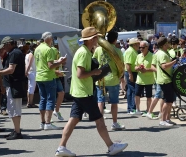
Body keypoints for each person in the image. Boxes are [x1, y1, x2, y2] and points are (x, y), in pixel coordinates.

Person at [55, 27, 128, 156]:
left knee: (73, 120)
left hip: (79, 91)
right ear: (92, 39)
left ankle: (61, 147)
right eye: (96, 37)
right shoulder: (84, 53)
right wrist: (95, 72)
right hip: (84, 92)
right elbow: (80, 74)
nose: (98, 40)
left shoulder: (85, 51)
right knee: (99, 120)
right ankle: (111, 146)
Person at [0, 37, 26, 139]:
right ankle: (16, 130)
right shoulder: (15, 52)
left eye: (5, 46)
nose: (4, 49)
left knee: (14, 108)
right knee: (13, 108)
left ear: (9, 44)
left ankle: (17, 131)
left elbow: (11, 70)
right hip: (14, 84)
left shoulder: (15, 53)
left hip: (14, 85)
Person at [93, 31, 125, 130]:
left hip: (100, 79)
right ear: (115, 39)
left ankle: (100, 123)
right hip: (113, 79)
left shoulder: (98, 49)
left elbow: (94, 62)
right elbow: (121, 66)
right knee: (114, 103)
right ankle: (114, 123)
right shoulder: (118, 51)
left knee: (100, 102)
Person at [35, 32, 66, 130]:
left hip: (39, 76)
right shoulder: (49, 49)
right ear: (49, 38)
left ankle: (42, 122)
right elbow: (50, 66)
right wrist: (60, 62)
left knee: (43, 99)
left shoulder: (37, 48)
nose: (52, 40)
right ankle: (48, 123)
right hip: (48, 77)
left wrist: (56, 62)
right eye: (52, 38)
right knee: (50, 99)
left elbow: (45, 62)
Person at [155, 37, 177, 127]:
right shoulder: (162, 54)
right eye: (167, 43)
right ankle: (163, 120)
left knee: (169, 101)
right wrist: (174, 62)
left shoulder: (163, 52)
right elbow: (164, 66)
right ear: (164, 45)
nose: (169, 44)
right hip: (165, 80)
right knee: (167, 101)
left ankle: (167, 118)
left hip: (166, 79)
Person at [134, 41, 155, 116]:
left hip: (149, 80)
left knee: (148, 96)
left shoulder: (152, 56)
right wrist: (138, 68)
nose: (141, 49)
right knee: (137, 95)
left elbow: (154, 68)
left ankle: (148, 110)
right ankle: (137, 109)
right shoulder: (138, 56)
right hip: (139, 80)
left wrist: (147, 69)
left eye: (143, 47)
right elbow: (135, 67)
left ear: (147, 47)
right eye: (140, 47)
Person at [124, 38, 140, 114]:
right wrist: (130, 74)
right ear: (133, 44)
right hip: (131, 72)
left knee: (130, 90)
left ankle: (131, 108)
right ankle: (132, 108)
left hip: (132, 72)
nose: (139, 45)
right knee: (133, 90)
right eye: (137, 44)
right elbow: (128, 64)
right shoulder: (130, 51)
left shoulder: (132, 51)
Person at [51, 43, 66, 121]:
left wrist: (62, 63)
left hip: (56, 76)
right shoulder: (50, 51)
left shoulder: (55, 51)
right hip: (49, 76)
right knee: (50, 97)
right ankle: (48, 118)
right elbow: (49, 65)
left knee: (61, 93)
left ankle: (56, 111)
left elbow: (56, 63)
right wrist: (56, 70)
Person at [25, 43, 38, 108]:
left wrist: (26, 71)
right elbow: (29, 64)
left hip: (30, 72)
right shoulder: (31, 55)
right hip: (32, 72)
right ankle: (30, 102)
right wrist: (26, 71)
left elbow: (26, 64)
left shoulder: (27, 55)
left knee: (30, 88)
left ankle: (29, 102)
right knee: (32, 88)